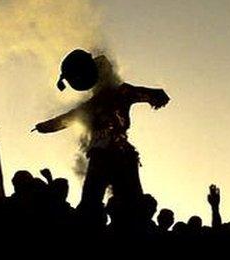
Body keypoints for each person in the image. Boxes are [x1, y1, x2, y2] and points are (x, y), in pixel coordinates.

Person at [34, 50, 169, 212]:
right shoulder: (114, 96)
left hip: (109, 157)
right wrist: (45, 127)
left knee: (97, 203)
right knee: (124, 205)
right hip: (118, 156)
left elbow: (67, 119)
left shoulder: (115, 95)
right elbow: (67, 119)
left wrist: (45, 127)